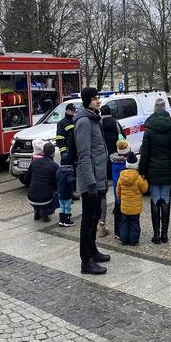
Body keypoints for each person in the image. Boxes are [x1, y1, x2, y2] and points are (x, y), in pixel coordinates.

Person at [74, 87, 111, 275]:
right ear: (87, 100)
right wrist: (90, 183)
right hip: (91, 181)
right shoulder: (84, 122)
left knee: (95, 217)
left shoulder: (94, 117)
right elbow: (84, 155)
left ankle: (93, 250)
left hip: (98, 177)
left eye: (99, 98)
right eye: (95, 98)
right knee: (88, 221)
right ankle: (86, 260)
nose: (99, 101)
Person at [139, 97, 171, 244]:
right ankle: (165, 234)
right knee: (166, 198)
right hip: (167, 166)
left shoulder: (149, 129)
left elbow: (144, 152)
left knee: (155, 199)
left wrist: (142, 170)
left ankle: (156, 234)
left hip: (152, 167)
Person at [98, 104, 125, 237]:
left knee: (105, 185)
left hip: (103, 158)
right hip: (115, 158)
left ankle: (101, 218)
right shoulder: (116, 124)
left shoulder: (99, 124)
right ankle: (117, 204)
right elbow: (122, 138)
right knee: (117, 182)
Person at [22, 142, 59, 222]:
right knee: (58, 192)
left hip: (31, 198)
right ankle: (47, 211)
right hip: (46, 200)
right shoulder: (55, 166)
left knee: (39, 191)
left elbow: (26, 180)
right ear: (53, 154)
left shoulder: (34, 163)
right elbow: (57, 185)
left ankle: (37, 211)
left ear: (43, 152)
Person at [116, 152, 148, 246]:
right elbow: (144, 189)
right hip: (135, 207)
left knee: (124, 222)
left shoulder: (121, 176)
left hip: (125, 206)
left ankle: (124, 240)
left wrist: (121, 199)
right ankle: (133, 241)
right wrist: (145, 180)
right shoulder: (138, 177)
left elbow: (118, 191)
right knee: (134, 223)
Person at [109, 138, 131, 240]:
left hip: (117, 191)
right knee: (125, 214)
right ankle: (126, 231)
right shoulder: (127, 164)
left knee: (118, 212)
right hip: (126, 194)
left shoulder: (114, 162)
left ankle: (117, 232)